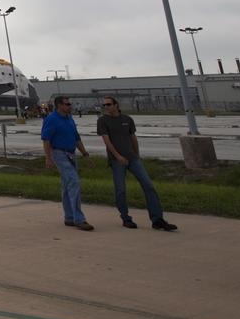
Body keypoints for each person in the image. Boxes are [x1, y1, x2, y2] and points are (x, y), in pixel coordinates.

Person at [97, 97, 177, 231]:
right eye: (104, 105)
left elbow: (133, 137)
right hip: (117, 160)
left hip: (132, 158)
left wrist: (136, 155)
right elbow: (107, 141)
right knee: (121, 189)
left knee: (149, 186)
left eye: (109, 104)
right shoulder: (103, 121)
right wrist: (117, 156)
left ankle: (157, 219)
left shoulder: (127, 120)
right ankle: (126, 218)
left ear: (116, 105)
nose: (106, 107)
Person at [42, 95, 92, 230]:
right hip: (58, 153)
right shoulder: (51, 119)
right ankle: (79, 219)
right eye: (67, 104)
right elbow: (46, 140)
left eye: (70, 104)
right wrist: (48, 158)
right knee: (74, 182)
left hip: (71, 153)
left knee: (67, 185)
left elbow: (76, 137)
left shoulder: (69, 118)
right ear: (59, 105)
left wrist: (85, 153)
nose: (70, 106)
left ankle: (69, 217)